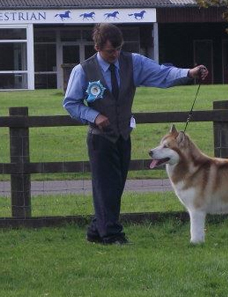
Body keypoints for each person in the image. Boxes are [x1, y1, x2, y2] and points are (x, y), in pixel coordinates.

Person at [63, 23, 208, 245]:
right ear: (97, 47)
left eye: (119, 49)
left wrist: (189, 73)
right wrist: (94, 116)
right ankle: (112, 235)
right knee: (106, 187)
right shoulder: (82, 70)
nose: (116, 54)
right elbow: (71, 103)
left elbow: (162, 73)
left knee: (115, 187)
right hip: (100, 139)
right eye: (111, 51)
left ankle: (96, 230)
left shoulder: (133, 62)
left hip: (123, 135)